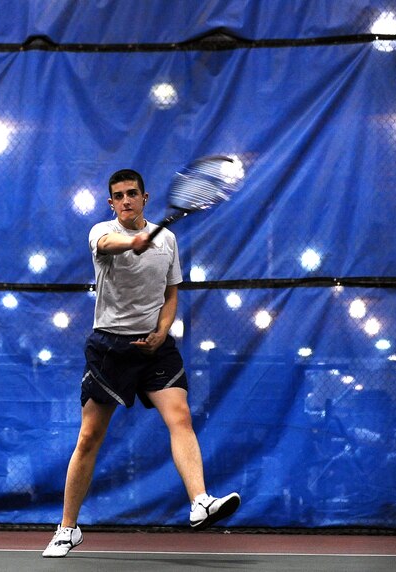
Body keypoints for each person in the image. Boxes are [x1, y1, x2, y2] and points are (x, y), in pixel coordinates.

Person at [43, 168, 240, 558]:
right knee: (88, 438)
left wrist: (163, 331)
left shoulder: (167, 240)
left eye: (133, 193)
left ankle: (200, 501)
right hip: (109, 348)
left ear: (145, 199)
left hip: (155, 348)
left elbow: (171, 294)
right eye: (119, 195)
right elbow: (112, 244)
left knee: (180, 416)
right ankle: (67, 528)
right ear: (111, 203)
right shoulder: (100, 232)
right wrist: (133, 241)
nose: (126, 199)